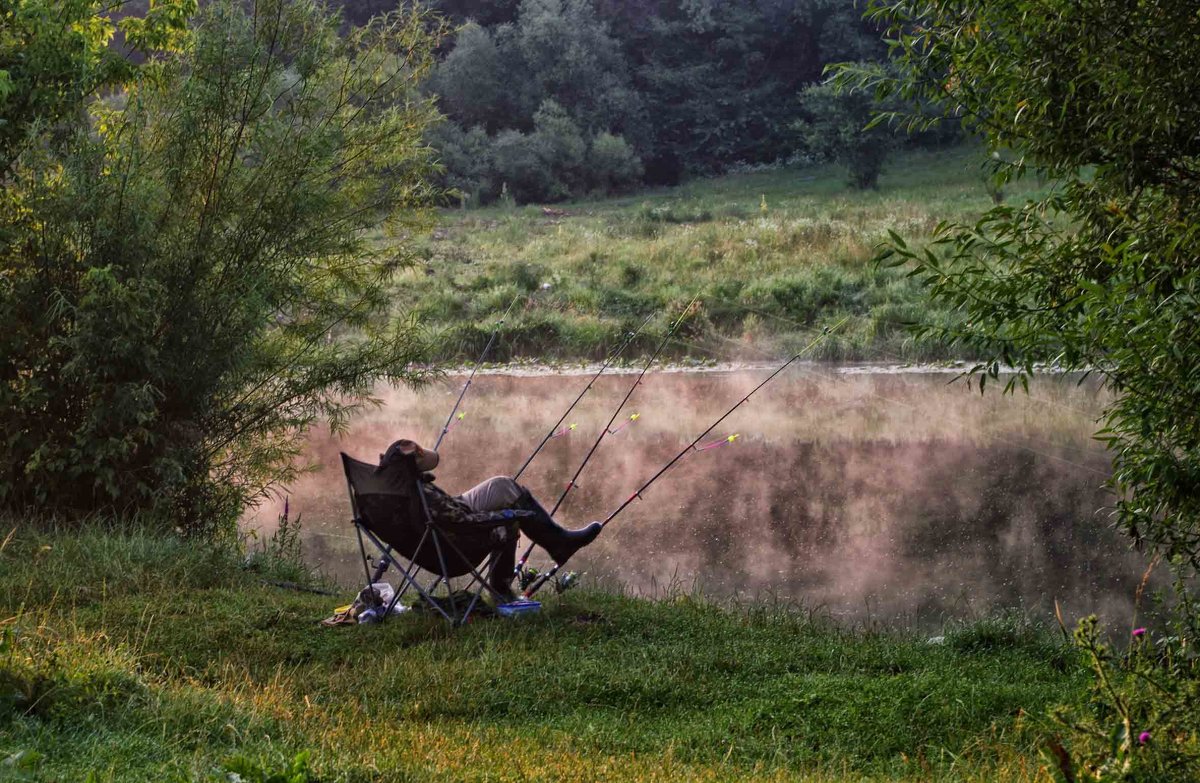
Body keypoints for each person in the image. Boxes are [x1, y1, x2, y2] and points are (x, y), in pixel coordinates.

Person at [380, 439, 601, 600]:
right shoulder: (419, 494)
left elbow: (446, 514)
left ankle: (557, 541)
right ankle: (503, 587)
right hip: (455, 544)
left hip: (449, 517)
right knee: (509, 519)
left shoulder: (398, 489)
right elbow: (463, 522)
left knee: (501, 485)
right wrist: (508, 515)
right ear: (411, 465)